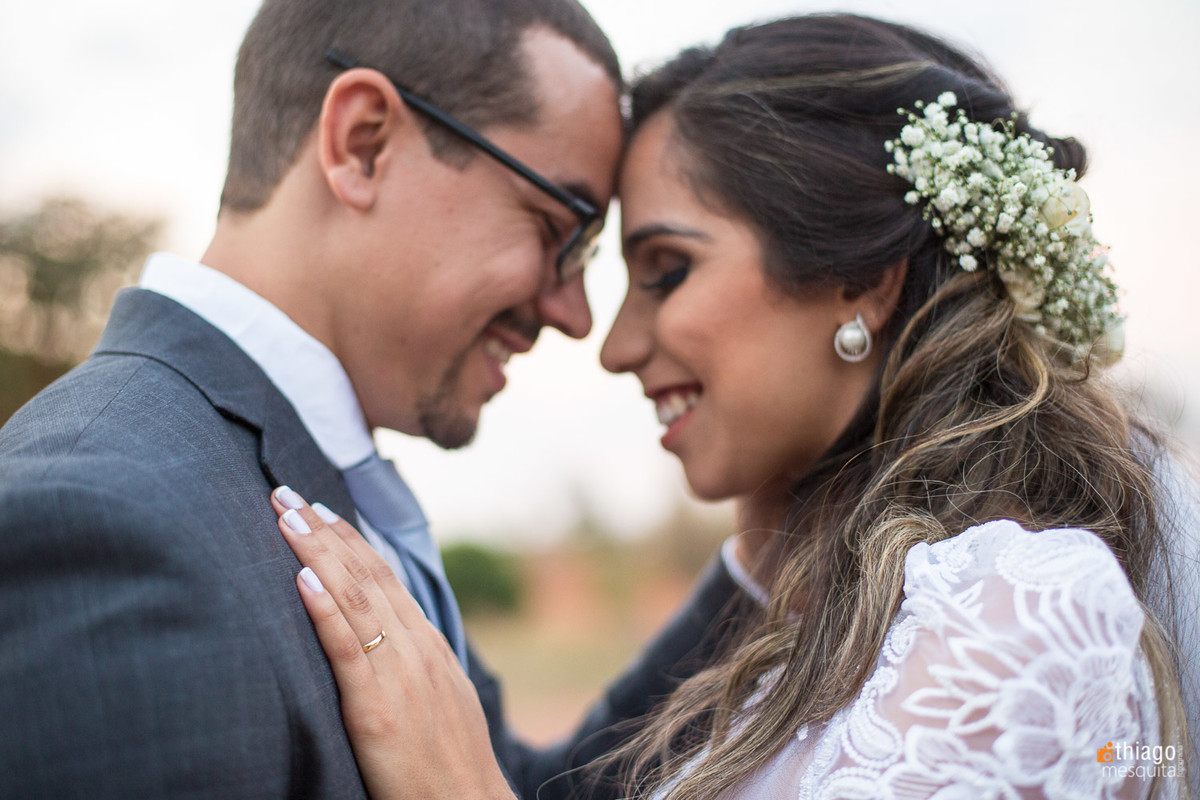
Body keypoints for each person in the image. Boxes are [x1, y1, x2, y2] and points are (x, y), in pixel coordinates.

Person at [271, 12, 1197, 799]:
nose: (614, 343)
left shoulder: (1023, 615)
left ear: (860, 282)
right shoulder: (833, 602)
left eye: (668, 271)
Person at [0, 1, 750, 797]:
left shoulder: (314, 474)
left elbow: (504, 782)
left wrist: (760, 570)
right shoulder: (101, 523)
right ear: (363, 144)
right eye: (560, 230)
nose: (576, 316)